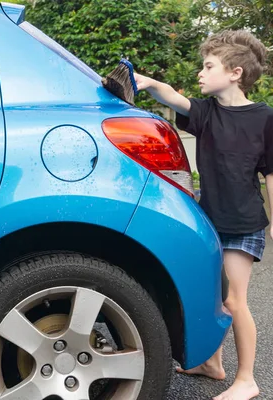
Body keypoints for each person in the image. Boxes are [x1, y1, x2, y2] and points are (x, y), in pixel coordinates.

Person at [134, 30, 272, 400]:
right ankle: (213, 365)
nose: (200, 72)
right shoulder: (206, 114)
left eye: (208, 66)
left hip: (244, 223)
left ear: (235, 73)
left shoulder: (265, 118)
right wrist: (147, 83)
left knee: (234, 301)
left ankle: (247, 379)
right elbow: (173, 98)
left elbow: (271, 174)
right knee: (213, 296)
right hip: (209, 220)